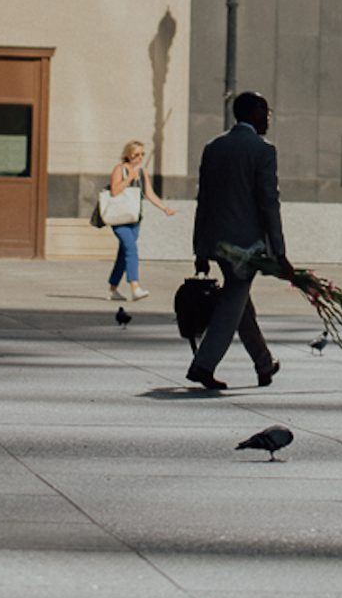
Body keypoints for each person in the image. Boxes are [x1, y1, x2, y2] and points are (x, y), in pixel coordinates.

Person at [187, 90, 290, 391]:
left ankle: (264, 363)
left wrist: (200, 247)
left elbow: (203, 200)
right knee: (234, 298)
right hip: (245, 246)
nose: (268, 118)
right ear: (255, 113)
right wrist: (280, 252)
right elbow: (269, 203)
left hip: (216, 240)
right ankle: (203, 365)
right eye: (266, 112)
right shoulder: (262, 150)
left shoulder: (214, 147)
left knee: (240, 301)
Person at [105, 139, 174, 302]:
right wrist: (129, 178)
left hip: (134, 218)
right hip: (119, 219)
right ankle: (135, 287)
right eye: (136, 154)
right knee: (131, 249)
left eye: (142, 154)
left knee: (124, 254)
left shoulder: (142, 172)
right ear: (128, 155)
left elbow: (149, 193)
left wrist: (164, 208)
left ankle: (112, 289)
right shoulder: (120, 169)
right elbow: (114, 191)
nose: (140, 157)